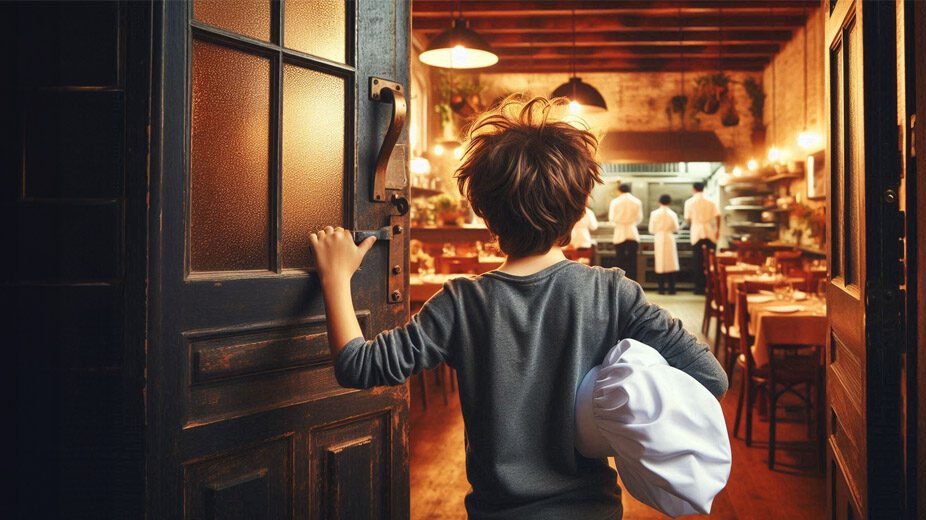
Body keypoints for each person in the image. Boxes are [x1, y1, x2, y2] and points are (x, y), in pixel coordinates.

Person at [308, 95, 727, 520]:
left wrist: (335, 278)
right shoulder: (613, 293)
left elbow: (357, 366)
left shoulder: (461, 303)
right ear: (581, 207)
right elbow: (710, 377)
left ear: (484, 212)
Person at [683, 181, 720, 294]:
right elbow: (718, 216)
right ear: (704, 188)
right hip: (709, 233)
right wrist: (718, 230)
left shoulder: (689, 202)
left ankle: (698, 288)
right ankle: (711, 287)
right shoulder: (711, 200)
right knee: (710, 262)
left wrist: (692, 225)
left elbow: (687, 219)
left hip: (697, 233)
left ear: (694, 189)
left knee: (697, 262)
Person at [608, 182, 642, 280]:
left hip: (619, 234)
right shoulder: (637, 201)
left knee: (620, 261)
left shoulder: (615, 202)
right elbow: (639, 218)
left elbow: (612, 219)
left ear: (619, 191)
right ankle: (633, 283)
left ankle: (620, 284)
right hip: (632, 233)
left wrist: (619, 224)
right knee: (632, 261)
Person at [649, 194, 681, 295]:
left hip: (659, 238)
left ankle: (661, 289)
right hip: (669, 237)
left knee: (660, 263)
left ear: (659, 202)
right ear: (670, 202)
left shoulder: (654, 213)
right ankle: (672, 289)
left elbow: (651, 229)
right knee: (671, 264)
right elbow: (676, 228)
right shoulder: (673, 214)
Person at [568, 198, 598, 263]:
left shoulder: (569, 211)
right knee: (584, 263)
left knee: (570, 263)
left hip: (570, 241)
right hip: (584, 240)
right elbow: (594, 226)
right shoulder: (588, 212)